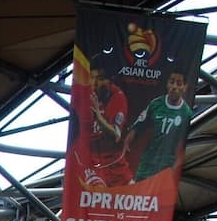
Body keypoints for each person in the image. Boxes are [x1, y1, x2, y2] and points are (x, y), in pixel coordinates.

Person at [125, 69, 193, 183]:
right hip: (148, 162)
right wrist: (128, 140)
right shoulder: (156, 104)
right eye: (171, 82)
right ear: (167, 84)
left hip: (167, 166)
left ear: (185, 87)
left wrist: (175, 168)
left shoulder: (186, 114)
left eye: (179, 83)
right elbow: (139, 124)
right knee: (137, 193)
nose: (174, 86)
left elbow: (183, 146)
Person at [76, 52, 132, 187]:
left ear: (110, 80)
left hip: (117, 168)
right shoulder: (82, 95)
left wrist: (98, 117)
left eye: (100, 79)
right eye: (92, 78)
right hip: (91, 166)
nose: (94, 84)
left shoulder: (117, 96)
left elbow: (115, 136)